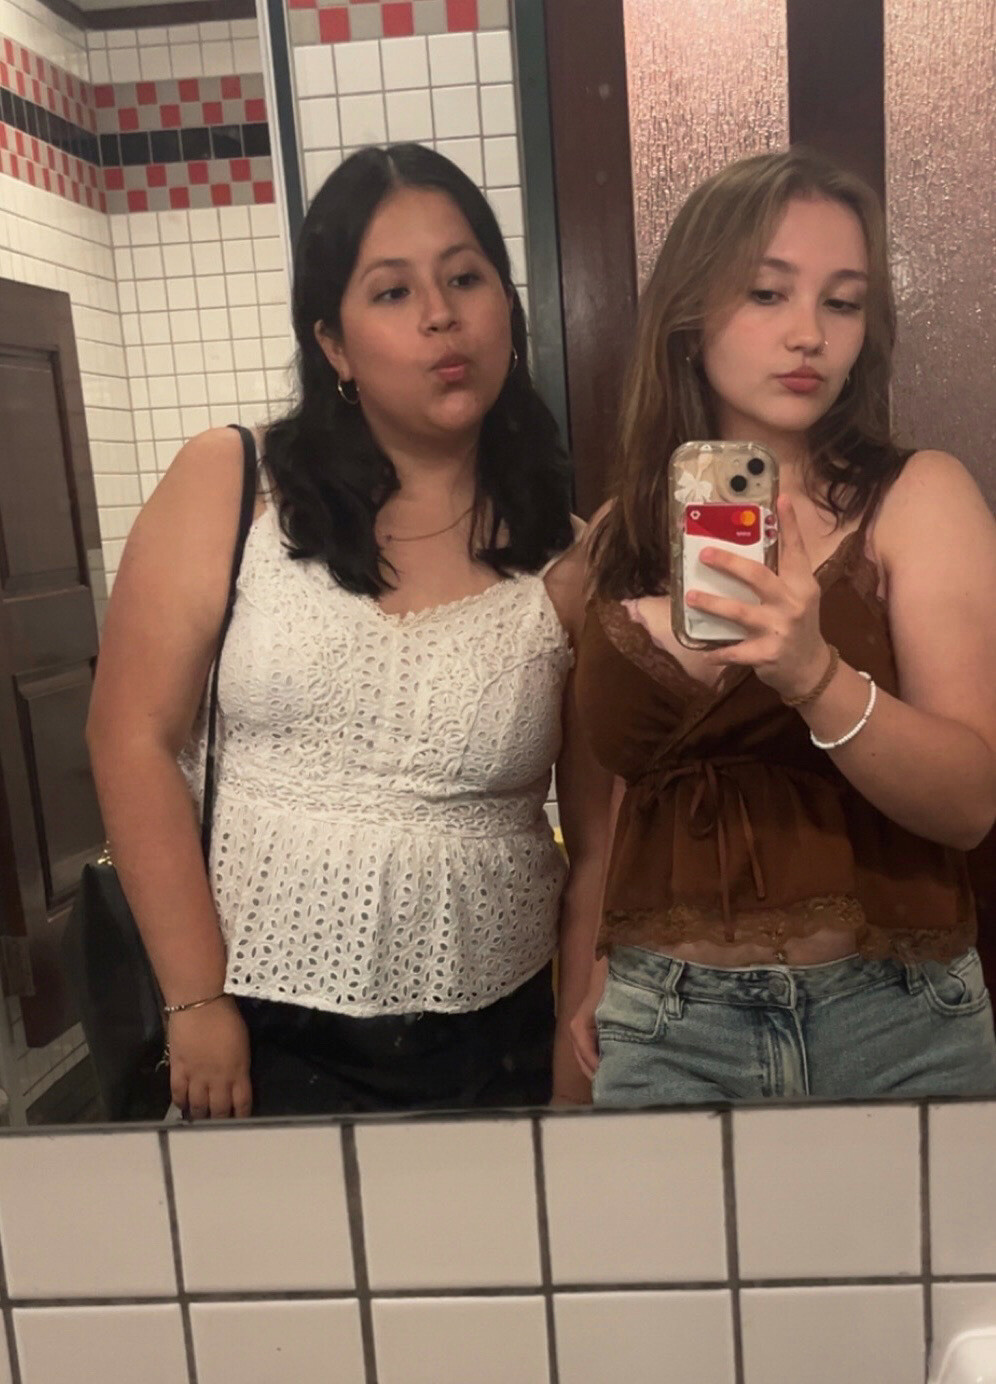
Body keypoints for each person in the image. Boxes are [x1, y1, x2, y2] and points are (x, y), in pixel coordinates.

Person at [86, 143, 608, 1119]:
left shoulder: (569, 560)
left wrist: (578, 1032)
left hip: (498, 1043)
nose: (441, 316)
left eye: (465, 278)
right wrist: (196, 1000)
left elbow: (600, 837)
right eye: (392, 291)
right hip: (254, 1034)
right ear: (333, 343)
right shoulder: (232, 485)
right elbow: (130, 738)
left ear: (507, 306)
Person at [569, 147, 996, 1104]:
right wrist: (601, 962)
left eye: (842, 303)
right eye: (767, 294)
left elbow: (972, 801)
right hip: (664, 1020)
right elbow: (639, 782)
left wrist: (814, 674)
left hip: (894, 1019)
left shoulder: (918, 498)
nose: (809, 335)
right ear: (689, 314)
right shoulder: (621, 533)